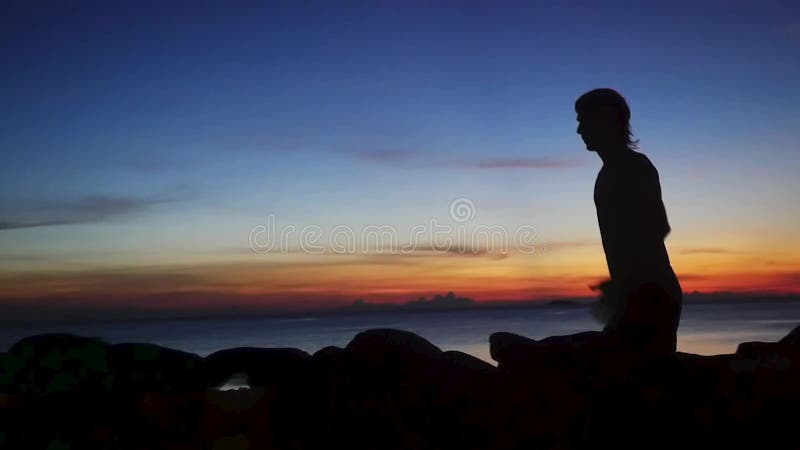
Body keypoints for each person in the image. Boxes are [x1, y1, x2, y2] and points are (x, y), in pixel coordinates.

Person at [575, 88, 682, 353]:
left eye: (583, 120)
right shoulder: (609, 172)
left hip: (650, 295)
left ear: (607, 120)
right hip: (635, 295)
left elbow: (657, 226)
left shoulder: (633, 167)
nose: (579, 130)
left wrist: (626, 282)